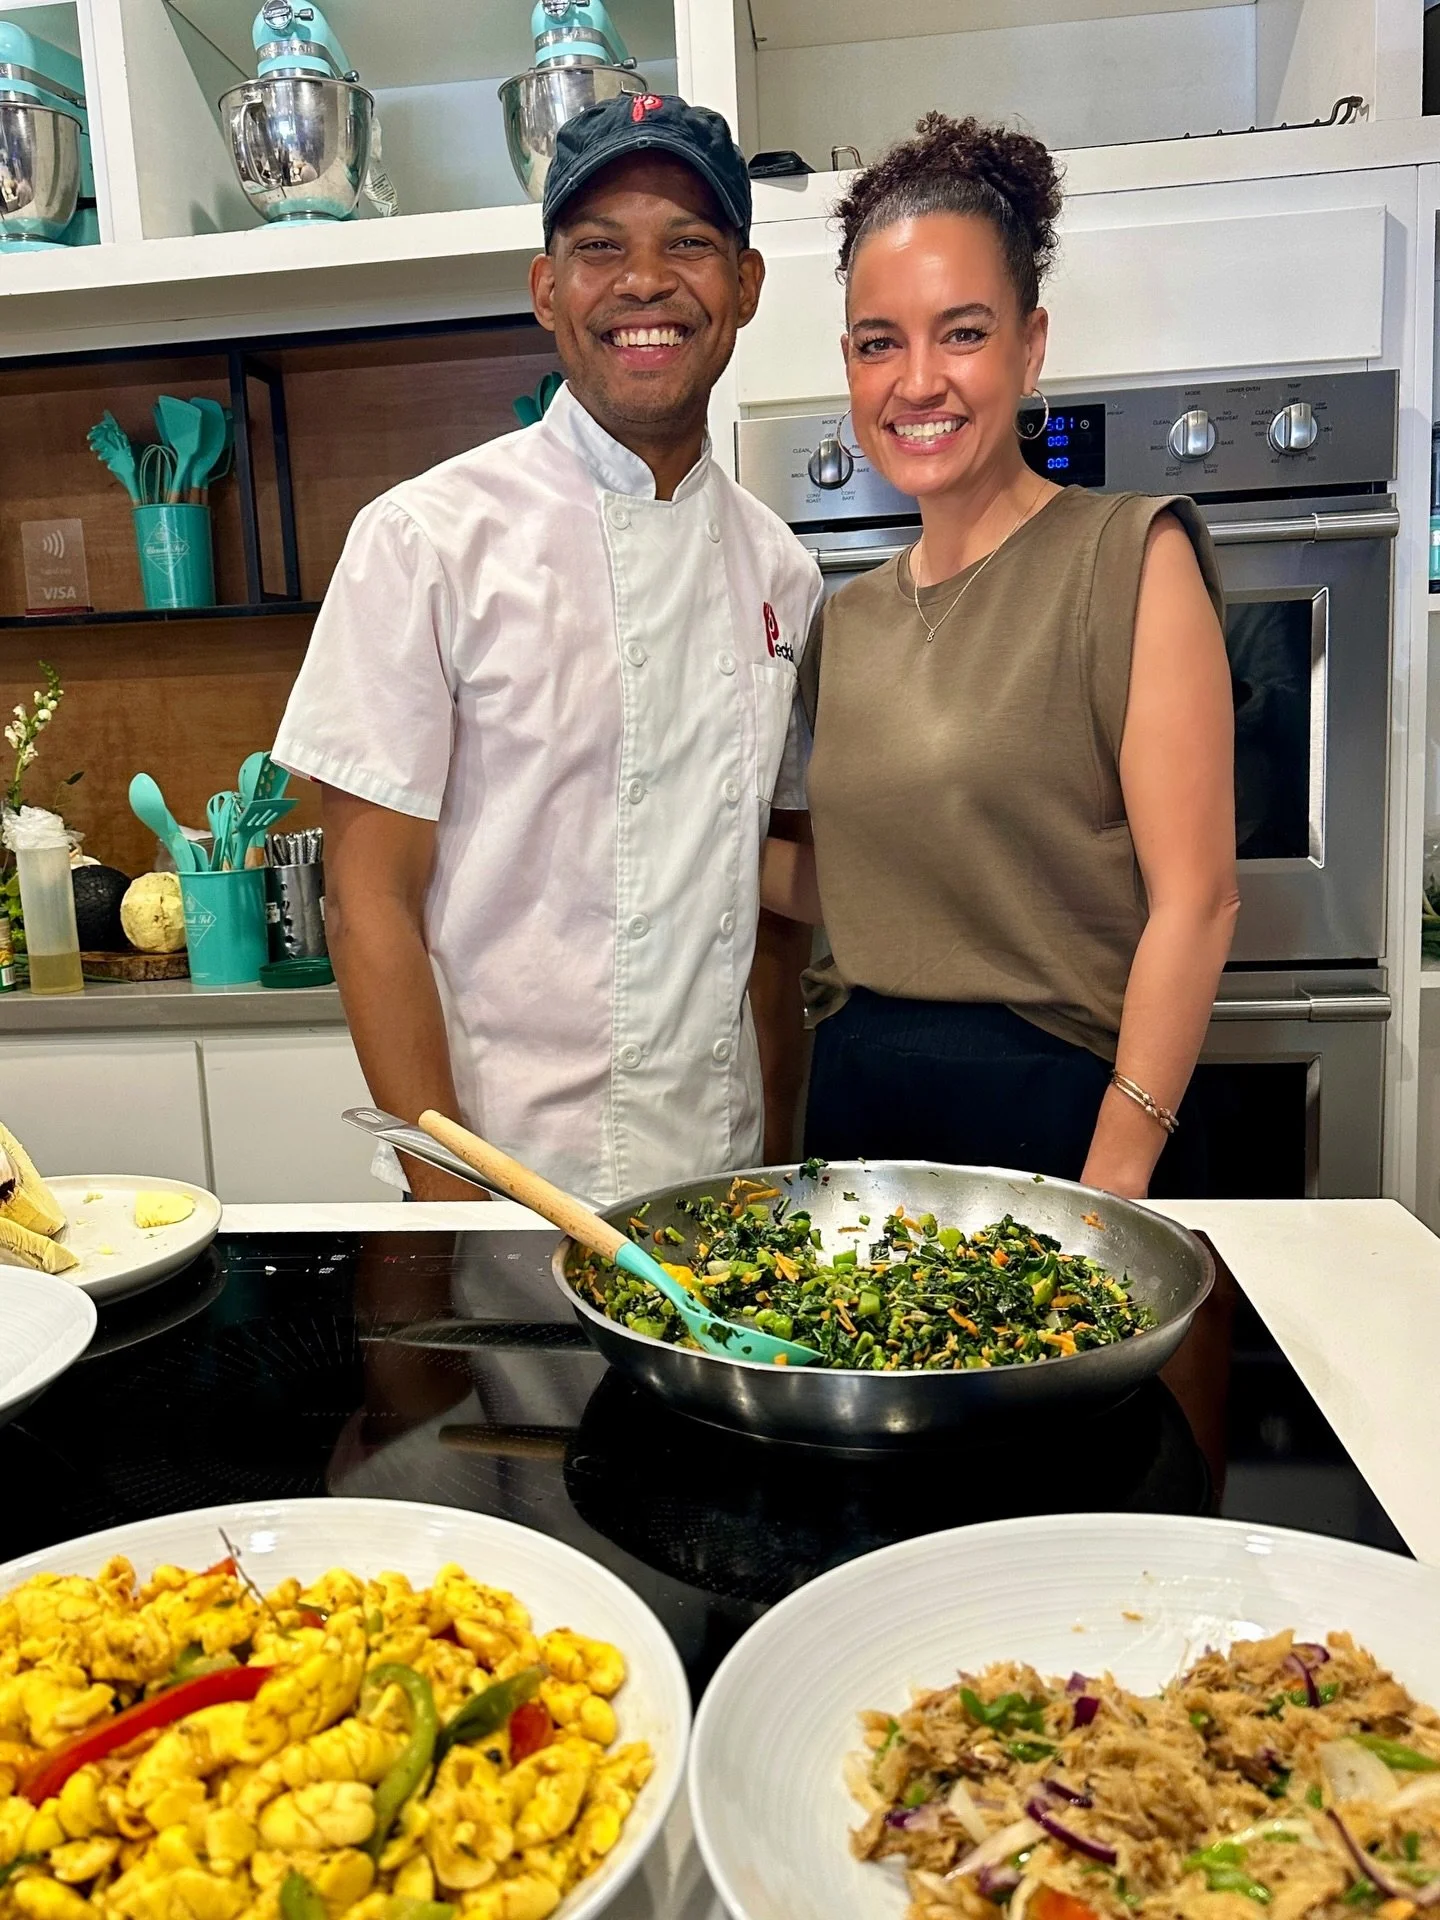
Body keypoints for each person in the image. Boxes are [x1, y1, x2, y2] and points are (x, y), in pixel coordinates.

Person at [274, 94, 822, 1203]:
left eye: (690, 244)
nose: (645, 282)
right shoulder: (426, 540)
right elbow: (365, 898)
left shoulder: (785, 574)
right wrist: (454, 1203)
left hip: (718, 1193)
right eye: (599, 249)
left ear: (747, 287)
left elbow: (766, 911)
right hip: (497, 1186)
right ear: (546, 290)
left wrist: (770, 1162)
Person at [762, 114, 1238, 1200]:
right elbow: (878, 878)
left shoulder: (1130, 558)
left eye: (962, 332)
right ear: (850, 364)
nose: (917, 380)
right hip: (861, 1111)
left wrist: (1109, 1186)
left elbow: (1198, 901)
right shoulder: (851, 618)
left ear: (1031, 344)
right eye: (880, 341)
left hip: (1068, 1108)